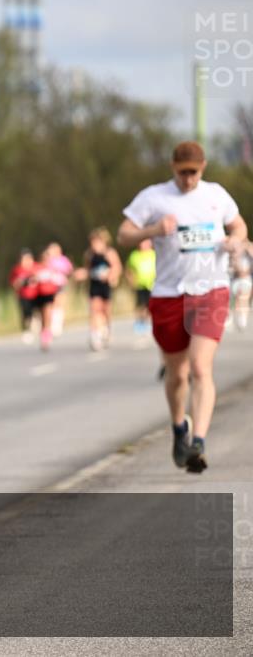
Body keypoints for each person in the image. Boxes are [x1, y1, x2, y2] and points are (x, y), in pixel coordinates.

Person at [117, 140, 247, 473]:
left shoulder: (216, 194)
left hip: (211, 291)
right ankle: (179, 429)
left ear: (203, 168)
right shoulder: (154, 197)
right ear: (173, 168)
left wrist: (234, 240)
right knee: (177, 374)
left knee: (201, 368)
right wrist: (153, 229)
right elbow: (124, 235)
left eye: (194, 172)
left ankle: (198, 442)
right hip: (169, 295)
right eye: (182, 172)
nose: (188, 179)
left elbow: (238, 225)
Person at [73, 227, 122, 351]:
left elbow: (117, 267)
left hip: (106, 286)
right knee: (95, 310)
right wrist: (82, 274)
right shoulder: (89, 255)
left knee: (106, 311)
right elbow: (88, 270)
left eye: (97, 242)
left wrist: (112, 276)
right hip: (94, 286)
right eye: (93, 242)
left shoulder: (109, 253)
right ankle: (95, 335)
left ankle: (106, 329)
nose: (95, 245)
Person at [33, 249, 64, 351]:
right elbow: (33, 280)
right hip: (39, 295)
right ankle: (44, 333)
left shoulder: (52, 269)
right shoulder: (37, 268)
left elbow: (59, 281)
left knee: (47, 314)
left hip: (49, 294)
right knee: (41, 316)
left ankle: (47, 335)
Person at [126, 238, 157, 334]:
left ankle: (147, 321)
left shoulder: (154, 254)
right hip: (139, 285)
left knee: (150, 305)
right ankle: (140, 322)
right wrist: (131, 280)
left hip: (152, 284)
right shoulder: (134, 255)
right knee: (140, 304)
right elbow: (129, 269)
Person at [43, 242, 73, 336]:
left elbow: (69, 270)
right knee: (52, 305)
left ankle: (58, 325)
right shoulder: (48, 260)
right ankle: (52, 324)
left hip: (60, 284)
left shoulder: (63, 260)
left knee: (59, 303)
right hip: (50, 285)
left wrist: (59, 270)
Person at [9, 249, 38, 344]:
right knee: (26, 314)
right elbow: (13, 283)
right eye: (24, 259)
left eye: (29, 259)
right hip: (24, 296)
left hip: (36, 295)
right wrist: (20, 282)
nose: (27, 262)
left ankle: (36, 326)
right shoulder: (17, 270)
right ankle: (26, 330)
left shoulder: (36, 267)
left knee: (35, 313)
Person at [229, 240, 252, 331]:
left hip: (246, 279)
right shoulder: (235, 255)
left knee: (243, 298)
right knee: (235, 299)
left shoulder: (249, 256)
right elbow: (233, 266)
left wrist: (248, 248)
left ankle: (242, 318)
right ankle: (235, 317)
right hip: (236, 279)